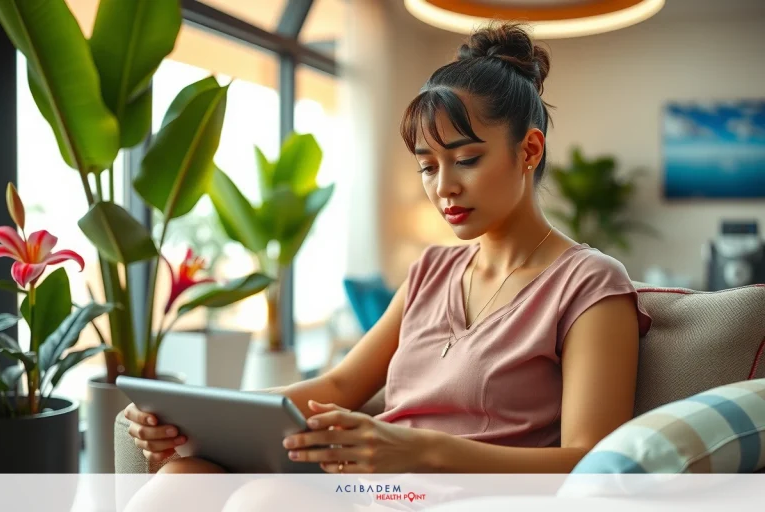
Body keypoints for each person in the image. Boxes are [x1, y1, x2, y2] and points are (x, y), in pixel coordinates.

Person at [122, 21, 652, 510]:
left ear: (530, 150)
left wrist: (420, 452)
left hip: (452, 494)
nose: (443, 187)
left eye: (466, 159)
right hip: (372, 486)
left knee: (265, 500)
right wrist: (199, 413)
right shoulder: (432, 271)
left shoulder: (590, 283)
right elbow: (337, 387)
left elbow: (590, 462)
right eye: (427, 165)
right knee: (186, 477)